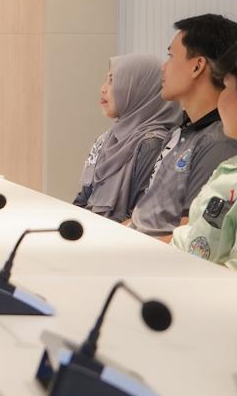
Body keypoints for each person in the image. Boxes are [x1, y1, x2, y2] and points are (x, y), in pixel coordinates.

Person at [128, 14, 237, 239]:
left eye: (170, 56)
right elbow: (144, 218)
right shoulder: (182, 132)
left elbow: (194, 241)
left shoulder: (219, 143)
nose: (163, 67)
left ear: (197, 66)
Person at [73, 54, 180, 221]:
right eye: (106, 80)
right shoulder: (107, 139)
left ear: (140, 89)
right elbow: (84, 198)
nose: (103, 88)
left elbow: (140, 216)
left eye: (112, 80)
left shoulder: (151, 144)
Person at [172, 44, 237, 268]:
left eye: (226, 87)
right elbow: (192, 236)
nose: (220, 99)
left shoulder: (217, 146)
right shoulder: (228, 168)